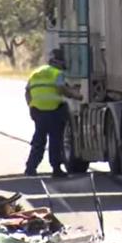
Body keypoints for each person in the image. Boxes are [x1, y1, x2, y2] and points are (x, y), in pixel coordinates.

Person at [24, 49, 83, 178]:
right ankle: (56, 169)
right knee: (56, 141)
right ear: (59, 62)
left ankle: (30, 168)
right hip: (53, 111)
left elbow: (27, 91)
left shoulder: (36, 73)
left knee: (39, 140)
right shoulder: (57, 74)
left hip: (38, 112)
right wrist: (76, 96)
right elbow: (61, 88)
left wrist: (31, 105)